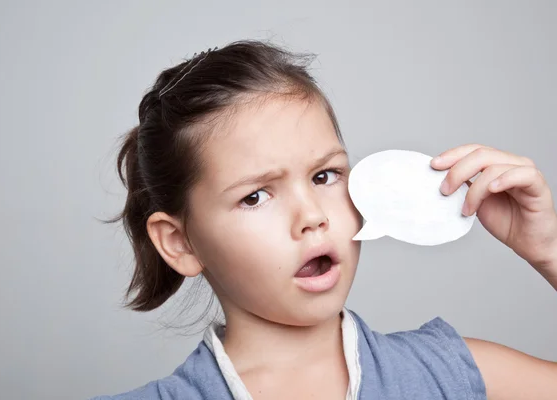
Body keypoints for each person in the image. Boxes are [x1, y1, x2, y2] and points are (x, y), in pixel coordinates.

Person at [93, 40, 557, 399]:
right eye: (255, 196)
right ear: (180, 243)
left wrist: (548, 250)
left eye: (324, 175)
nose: (312, 216)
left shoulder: (450, 373)